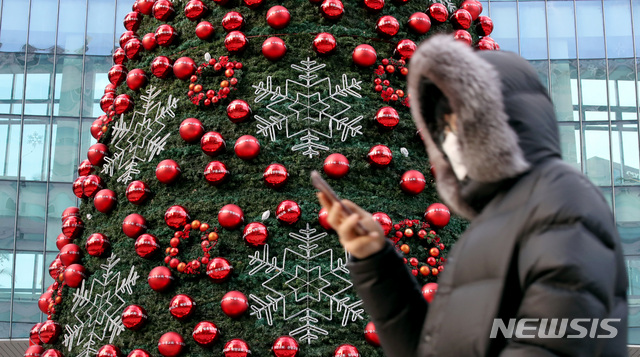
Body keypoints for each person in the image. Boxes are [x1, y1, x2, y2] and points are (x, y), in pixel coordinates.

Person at [317, 35, 628, 356]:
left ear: (497, 120)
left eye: (459, 123)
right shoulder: (492, 223)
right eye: (443, 130)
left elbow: (553, 342)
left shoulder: (561, 199)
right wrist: (374, 259)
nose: (450, 142)